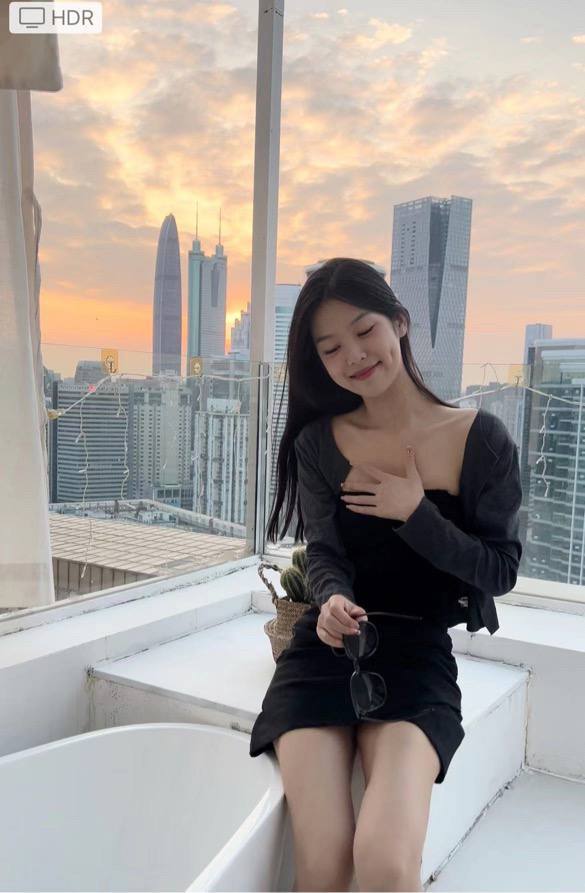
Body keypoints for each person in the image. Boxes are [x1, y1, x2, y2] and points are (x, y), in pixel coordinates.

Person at [249, 257, 522, 892]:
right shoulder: (320, 443)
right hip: (325, 652)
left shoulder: (481, 440)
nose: (353, 355)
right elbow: (325, 553)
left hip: (417, 657)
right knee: (323, 863)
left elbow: (499, 569)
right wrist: (332, 599)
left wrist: (416, 513)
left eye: (364, 330)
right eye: (330, 348)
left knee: (386, 862)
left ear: (399, 323)